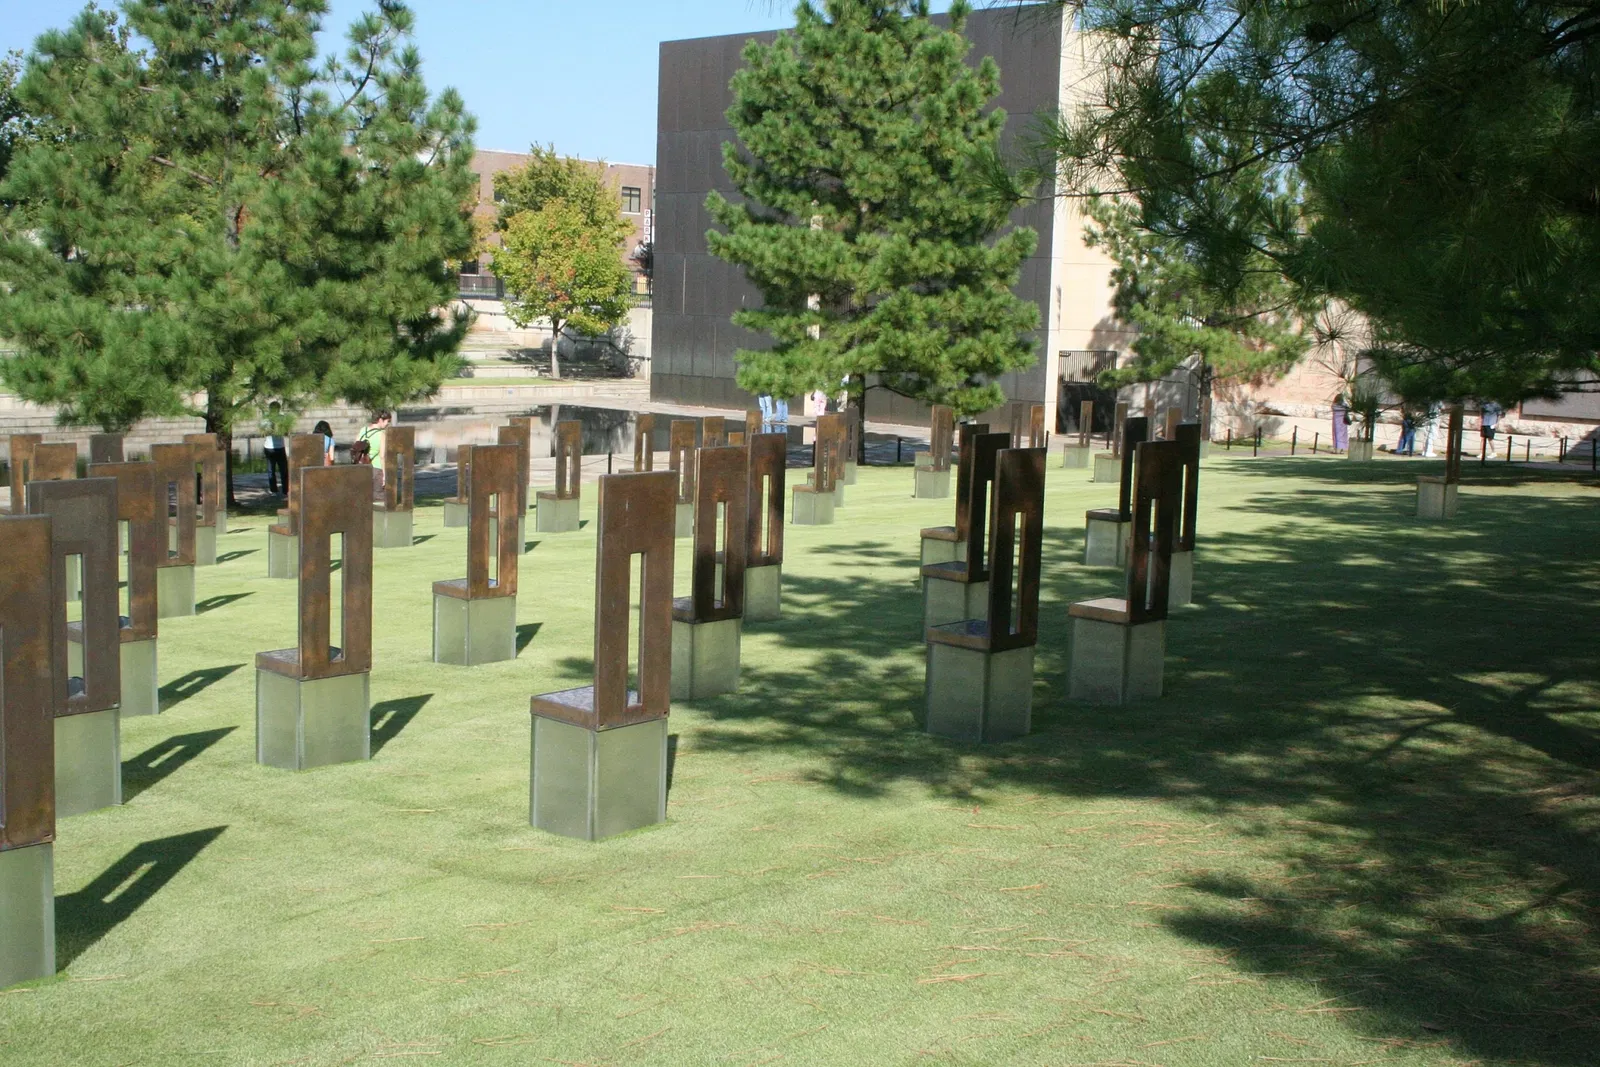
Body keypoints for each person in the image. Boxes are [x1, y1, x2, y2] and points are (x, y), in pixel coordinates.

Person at [260, 401, 292, 494]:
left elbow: (286, 432)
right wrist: (271, 430)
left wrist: (280, 430)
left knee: (283, 469)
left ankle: (285, 489)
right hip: (269, 447)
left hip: (280, 446)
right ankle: (274, 489)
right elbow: (262, 433)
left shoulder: (282, 418)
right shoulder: (265, 419)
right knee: (271, 469)